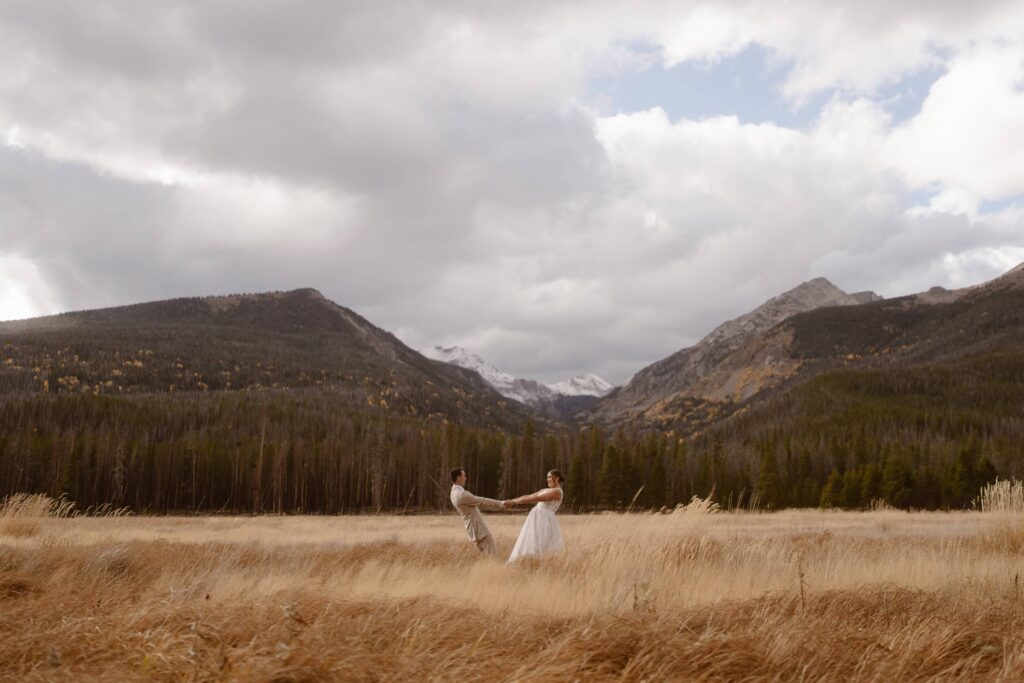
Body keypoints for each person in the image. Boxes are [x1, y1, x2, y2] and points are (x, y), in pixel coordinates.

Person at [505, 469, 565, 562]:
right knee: (530, 542)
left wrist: (514, 502)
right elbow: (528, 496)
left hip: (545, 520)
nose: (547, 479)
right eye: (547, 477)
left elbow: (537, 498)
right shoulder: (545, 490)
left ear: (556, 478)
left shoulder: (557, 492)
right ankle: (526, 562)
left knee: (542, 544)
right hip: (536, 519)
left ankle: (538, 564)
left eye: (549, 477)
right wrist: (512, 501)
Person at [449, 466, 505, 555]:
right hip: (479, 530)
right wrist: (501, 503)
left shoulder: (453, 493)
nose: (465, 478)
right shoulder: (462, 494)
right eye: (464, 476)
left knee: (487, 557)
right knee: (493, 557)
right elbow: (482, 501)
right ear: (458, 478)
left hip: (473, 530)